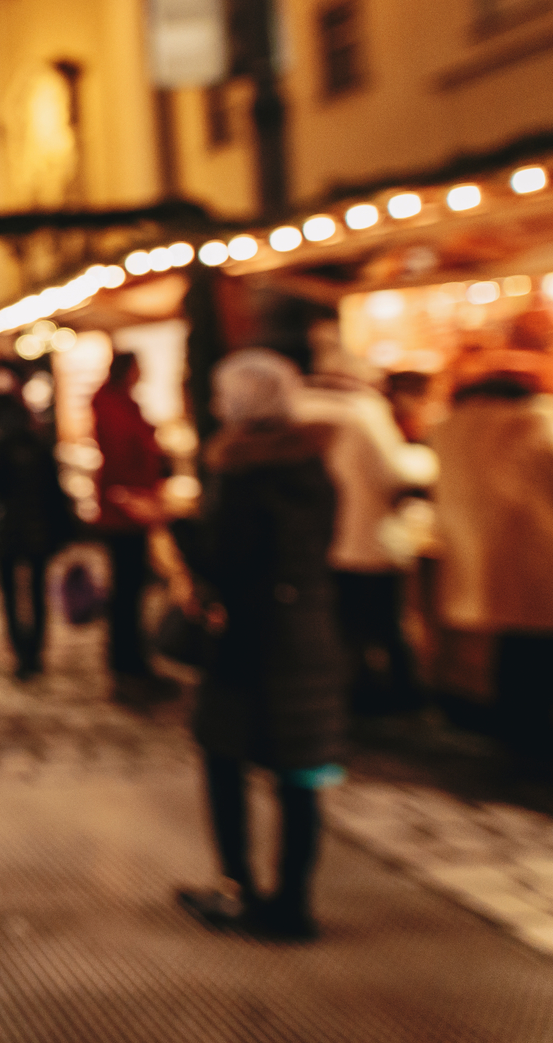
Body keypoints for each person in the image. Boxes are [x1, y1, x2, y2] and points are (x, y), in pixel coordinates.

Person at [176, 349, 346, 943]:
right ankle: (294, 902)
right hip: (308, 629)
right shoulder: (312, 466)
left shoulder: (240, 470)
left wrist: (173, 527)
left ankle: (237, 887)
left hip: (249, 638)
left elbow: (226, 560)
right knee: (301, 772)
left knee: (224, 758)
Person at [428, 372, 553, 770]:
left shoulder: (451, 427)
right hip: (539, 548)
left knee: (513, 640)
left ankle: (509, 728)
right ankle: (535, 736)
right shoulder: (536, 422)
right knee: (549, 642)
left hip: (480, 551)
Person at [292, 349, 429, 715]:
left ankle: (341, 695)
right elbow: (394, 473)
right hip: (367, 539)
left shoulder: (297, 407)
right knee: (386, 626)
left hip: (317, 542)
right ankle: (399, 700)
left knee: (338, 625)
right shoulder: (363, 411)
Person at [0, 365, 73, 680]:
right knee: (36, 588)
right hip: (36, 522)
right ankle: (35, 652)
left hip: (6, 522)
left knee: (9, 591)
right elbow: (52, 484)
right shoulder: (35, 434)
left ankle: (20, 650)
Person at [90, 351, 176, 704]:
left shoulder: (120, 403)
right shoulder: (113, 405)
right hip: (125, 511)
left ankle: (133, 663)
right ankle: (128, 667)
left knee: (131, 590)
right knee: (128, 591)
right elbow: (124, 452)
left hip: (130, 506)